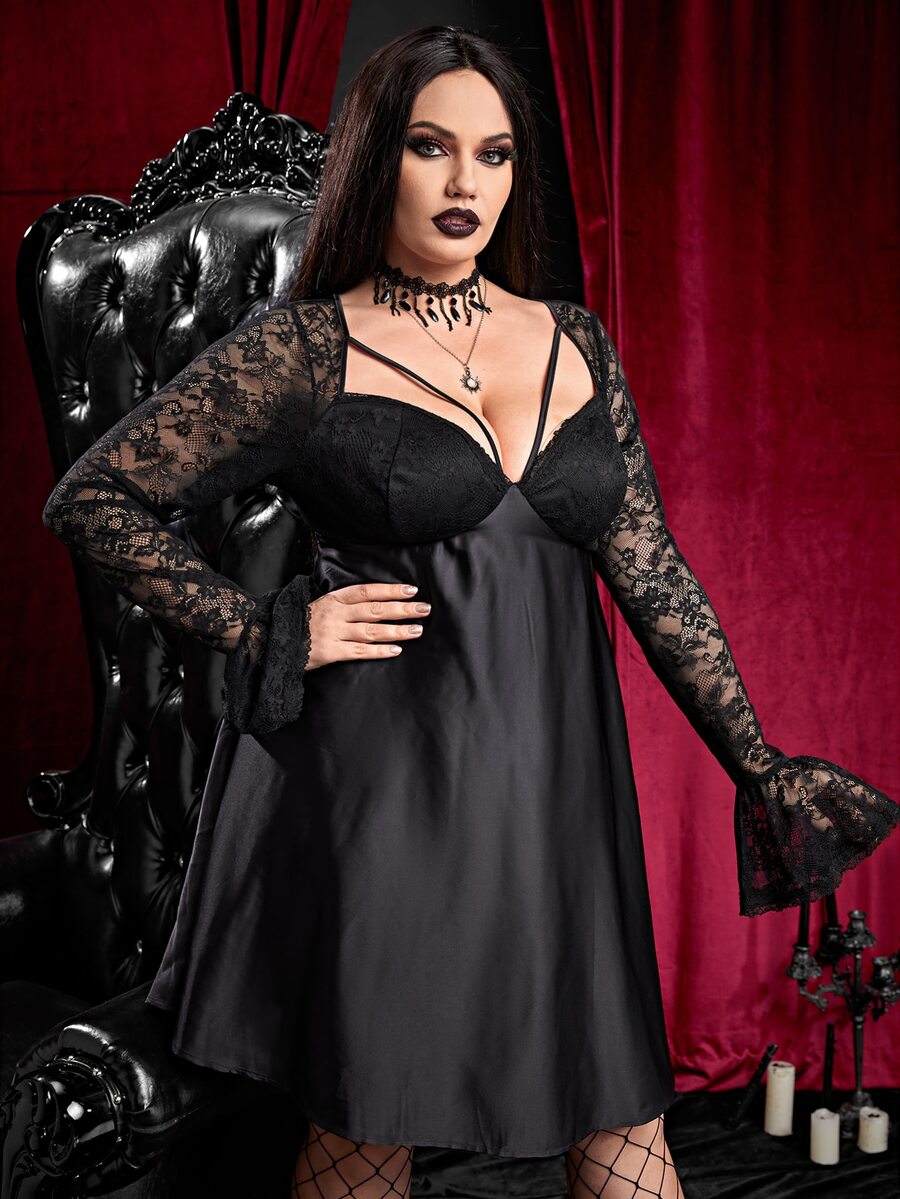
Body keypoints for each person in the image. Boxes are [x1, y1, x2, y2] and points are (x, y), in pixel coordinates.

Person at [41, 24, 899, 1199]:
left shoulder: (575, 340)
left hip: (558, 790)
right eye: (430, 147)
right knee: (368, 1128)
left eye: (493, 154)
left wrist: (760, 763)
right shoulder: (305, 349)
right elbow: (95, 497)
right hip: (381, 786)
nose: (465, 182)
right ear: (375, 159)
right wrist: (268, 625)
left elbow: (651, 569)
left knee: (624, 1126)